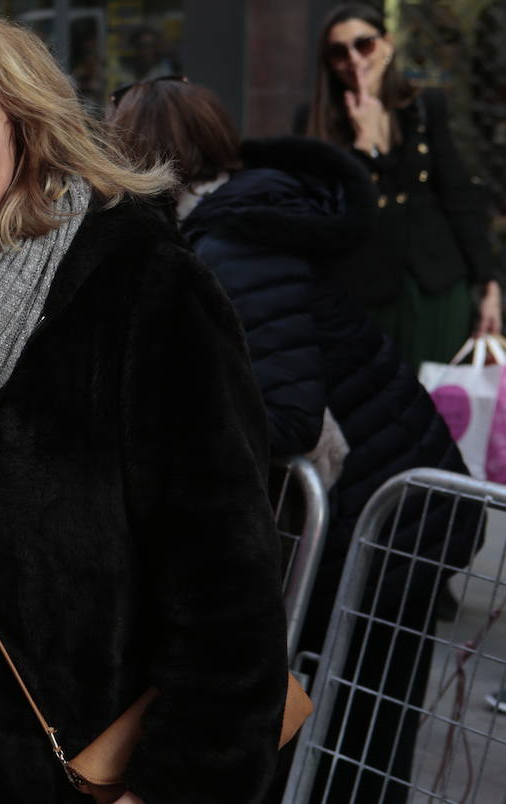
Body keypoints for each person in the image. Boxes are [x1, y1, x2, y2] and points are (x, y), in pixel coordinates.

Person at [0, 3, 290, 803]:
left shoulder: (145, 290)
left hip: (98, 775)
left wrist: (176, 786)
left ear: (25, 125)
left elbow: (230, 595)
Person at [110, 77, 483, 804]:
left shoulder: (234, 246)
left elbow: (289, 416)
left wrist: (169, 420)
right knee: (347, 722)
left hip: (394, 526)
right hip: (384, 515)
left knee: (359, 737)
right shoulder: (235, 224)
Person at [298, 3, 499, 367]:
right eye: (338, 51)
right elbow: (327, 215)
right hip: (363, 288)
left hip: (436, 282)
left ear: (388, 44)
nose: (354, 59)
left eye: (365, 45)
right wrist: (366, 147)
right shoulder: (314, 122)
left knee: (435, 407)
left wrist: (488, 282)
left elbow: (457, 194)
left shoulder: (423, 108)